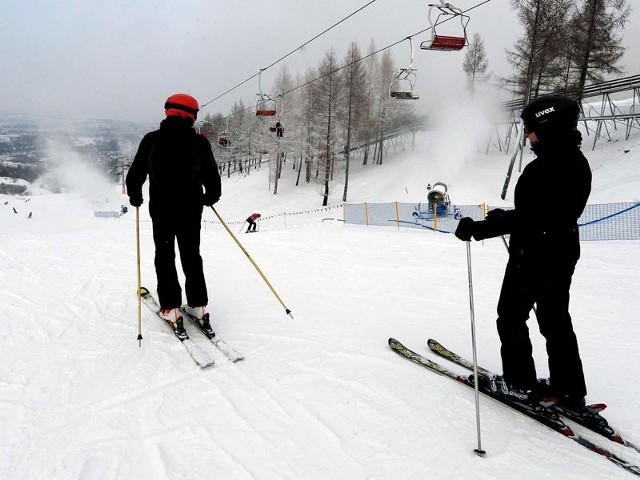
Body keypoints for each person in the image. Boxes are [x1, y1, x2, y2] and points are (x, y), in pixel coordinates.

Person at [454, 94, 591, 411]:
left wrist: (479, 229)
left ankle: (518, 383)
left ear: (548, 126)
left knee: (511, 317)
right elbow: (545, 212)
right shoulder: (571, 161)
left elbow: (536, 217)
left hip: (535, 254)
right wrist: (505, 217)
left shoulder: (549, 166)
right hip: (560, 250)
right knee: (555, 319)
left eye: (531, 128)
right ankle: (569, 388)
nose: (528, 135)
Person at [126, 93, 222, 334]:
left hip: (162, 210)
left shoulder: (152, 140)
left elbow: (136, 172)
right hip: (191, 210)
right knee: (191, 255)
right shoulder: (199, 143)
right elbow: (212, 177)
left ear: (168, 111)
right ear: (191, 116)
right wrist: (209, 196)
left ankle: (171, 308)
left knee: (165, 256)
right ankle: (198, 306)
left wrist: (135, 195)